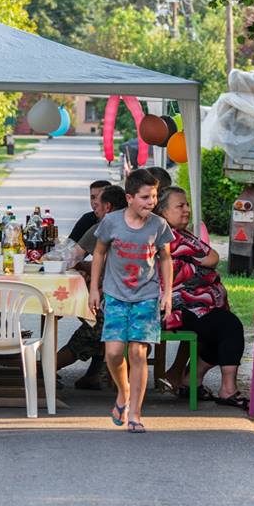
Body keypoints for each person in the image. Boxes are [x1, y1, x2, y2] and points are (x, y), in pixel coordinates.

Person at [90, 169, 173, 433]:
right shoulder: (111, 222)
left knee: (138, 353)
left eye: (154, 196)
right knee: (114, 353)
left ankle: (135, 413)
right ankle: (123, 391)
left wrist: (167, 293)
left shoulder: (159, 225)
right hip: (115, 295)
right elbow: (99, 253)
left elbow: (166, 258)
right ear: (129, 198)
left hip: (146, 296)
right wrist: (94, 289)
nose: (151, 202)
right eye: (145, 197)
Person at [155, 187, 246, 408]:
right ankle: (227, 390)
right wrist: (198, 264)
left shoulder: (178, 234)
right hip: (175, 307)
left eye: (186, 205)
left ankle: (190, 381)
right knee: (230, 326)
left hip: (190, 305)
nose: (186, 210)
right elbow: (211, 258)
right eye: (180, 206)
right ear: (163, 212)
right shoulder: (169, 236)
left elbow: (210, 258)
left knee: (219, 328)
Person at [55, 185, 127, 389]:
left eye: (98, 203)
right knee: (93, 320)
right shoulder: (137, 224)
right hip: (135, 300)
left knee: (93, 326)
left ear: (108, 206)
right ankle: (93, 374)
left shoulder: (102, 226)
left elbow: (71, 257)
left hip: (116, 302)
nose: (94, 206)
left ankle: (43, 368)